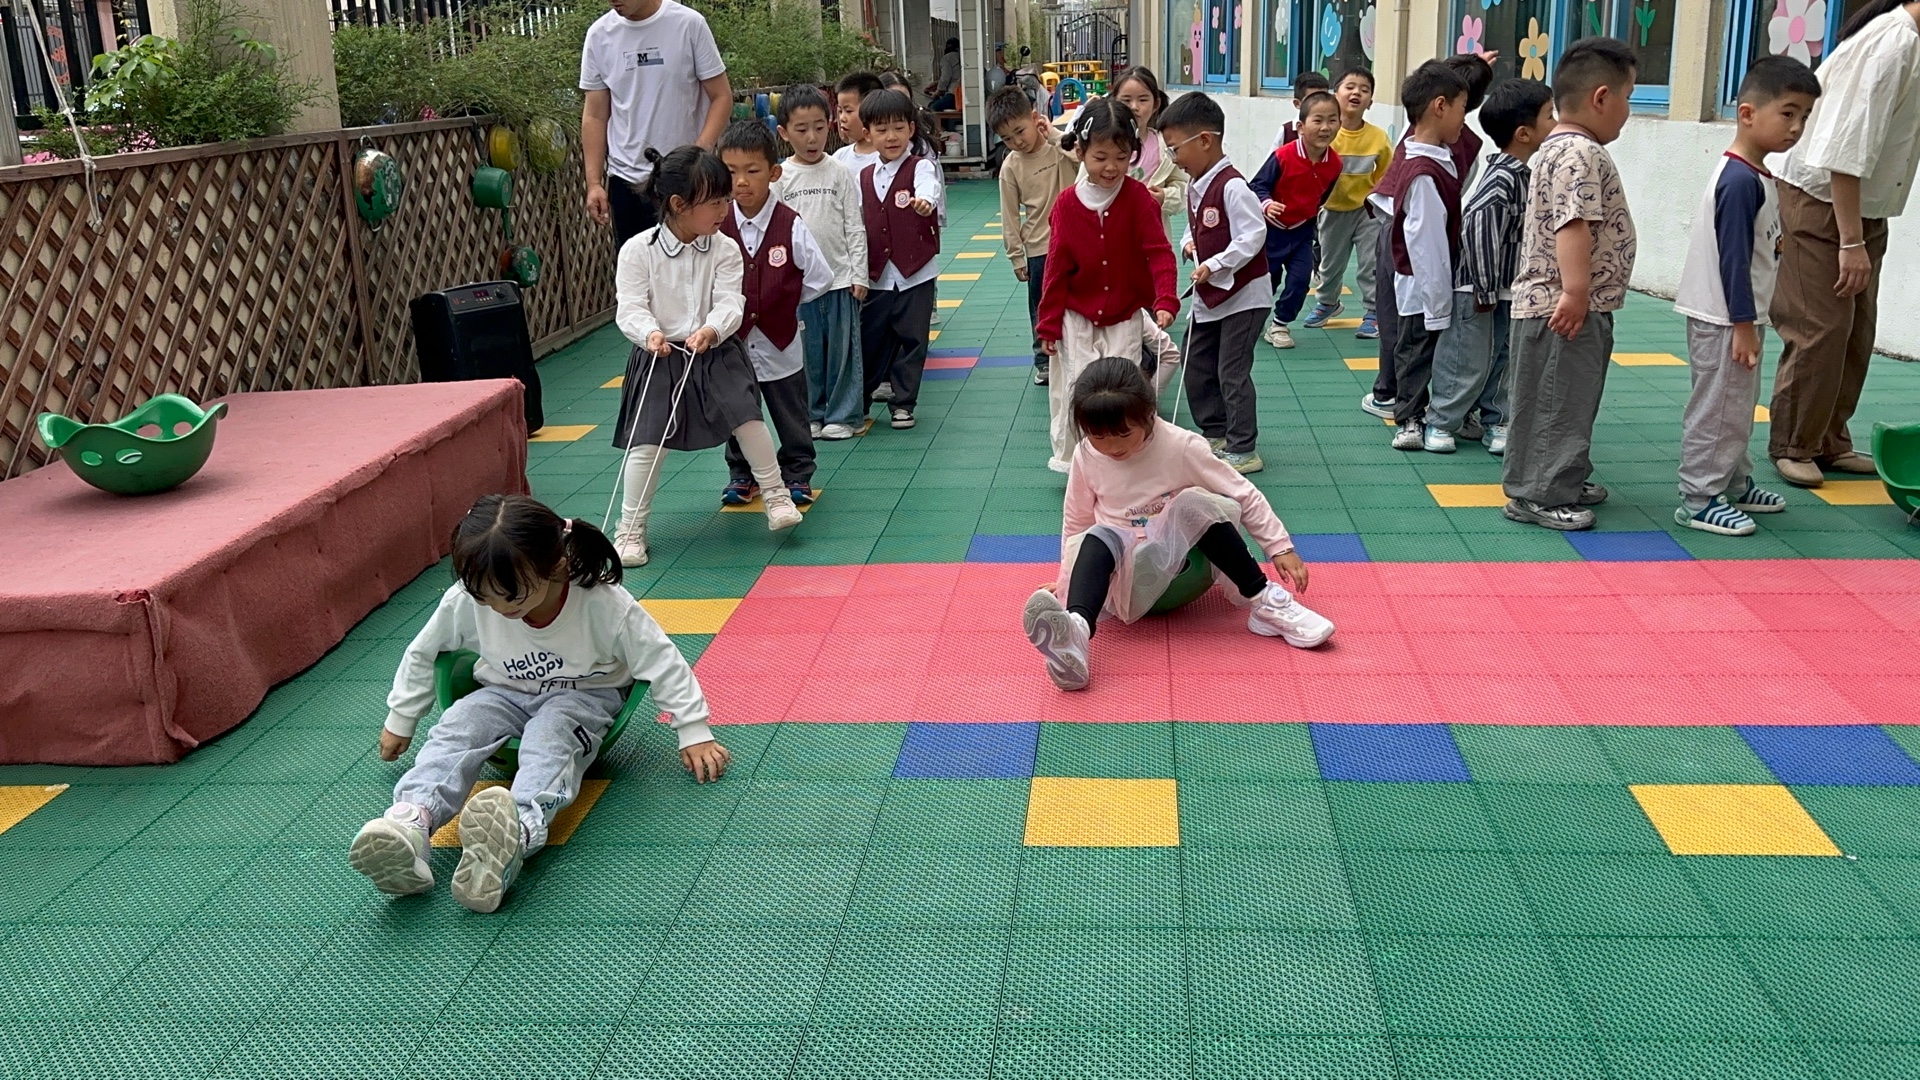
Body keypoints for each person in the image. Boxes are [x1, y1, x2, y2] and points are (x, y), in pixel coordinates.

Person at [351, 494, 730, 913]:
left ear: (556, 567)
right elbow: (425, 652)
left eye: (510, 597)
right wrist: (402, 718)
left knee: (550, 736)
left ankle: (518, 830)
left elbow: (661, 659)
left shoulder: (602, 603)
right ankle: (411, 822)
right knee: (459, 724)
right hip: (504, 691)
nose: (498, 609)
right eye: (485, 598)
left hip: (584, 696)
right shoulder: (468, 598)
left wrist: (693, 729)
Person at [1021, 358, 1334, 691]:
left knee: (1193, 503)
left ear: (1148, 414)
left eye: (1124, 434)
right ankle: (1076, 632)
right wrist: (1067, 580)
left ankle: (1265, 602)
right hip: (1122, 581)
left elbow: (1242, 492)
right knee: (1099, 533)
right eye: (1098, 436)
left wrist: (1279, 546)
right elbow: (1076, 520)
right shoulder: (1087, 455)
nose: (1112, 447)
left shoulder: (1181, 446)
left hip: (1179, 570)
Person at [609, 146, 804, 567]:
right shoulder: (637, 250)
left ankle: (776, 496)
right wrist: (650, 333)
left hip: (715, 350)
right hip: (660, 355)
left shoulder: (725, 248)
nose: (724, 209)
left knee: (748, 420)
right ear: (679, 205)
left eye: (725, 199)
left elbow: (731, 301)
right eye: (715, 202)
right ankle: (630, 528)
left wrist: (713, 329)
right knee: (647, 443)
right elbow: (630, 307)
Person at [1765, 0, 1920, 488]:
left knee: (1856, 330)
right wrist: (1851, 242)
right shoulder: (1892, 42)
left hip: (1862, 208)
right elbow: (1843, 150)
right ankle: (1794, 444)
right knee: (1821, 327)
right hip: (1821, 202)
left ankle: (1828, 439)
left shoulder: (1908, 42)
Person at [1672, 57, 1821, 534]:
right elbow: (1732, 259)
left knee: (1735, 406)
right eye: (1788, 113)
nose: (1796, 127)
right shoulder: (1739, 181)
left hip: (1738, 317)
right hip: (1724, 318)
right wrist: (1742, 325)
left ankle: (1733, 482)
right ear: (1747, 113)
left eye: (1804, 117)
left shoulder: (1755, 175)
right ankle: (1700, 497)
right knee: (1719, 408)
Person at [1501, 39, 1639, 531]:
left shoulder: (1560, 149)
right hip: (1562, 308)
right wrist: (1576, 292)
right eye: (1628, 97)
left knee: (1569, 398)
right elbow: (1572, 223)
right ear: (1602, 97)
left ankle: (1562, 475)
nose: (1629, 111)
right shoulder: (1579, 153)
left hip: (1568, 305)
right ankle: (1538, 494)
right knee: (1556, 401)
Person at [1034, 99, 1181, 471]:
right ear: (1080, 152)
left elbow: (1159, 252)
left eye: (1121, 156)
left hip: (1124, 312)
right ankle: (1078, 463)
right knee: (1076, 386)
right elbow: (1056, 268)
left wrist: (1166, 299)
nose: (1111, 167)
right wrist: (1048, 323)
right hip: (1076, 314)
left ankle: (1127, 457)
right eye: (1100, 157)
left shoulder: (1138, 199)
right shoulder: (1067, 205)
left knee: (1122, 387)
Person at [1423, 76, 1556, 457]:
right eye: (1550, 115)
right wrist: (1484, 287)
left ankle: (1496, 419)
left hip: (1508, 290)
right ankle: (1441, 420)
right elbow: (1480, 228)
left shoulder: (1523, 175)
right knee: (1464, 358)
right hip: (1478, 291)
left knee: (1503, 359)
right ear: (1523, 133)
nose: (1556, 122)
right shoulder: (1502, 180)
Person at [1364, 54, 1494, 419]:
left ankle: (1392, 394)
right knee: (1412, 330)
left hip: (1404, 237)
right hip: (1419, 247)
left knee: (1401, 325)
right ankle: (1410, 405)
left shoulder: (1420, 136)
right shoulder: (1453, 147)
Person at [717, 120, 833, 508]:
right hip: (732, 342)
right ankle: (741, 473)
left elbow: (819, 277)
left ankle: (797, 472)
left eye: (752, 171)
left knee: (790, 410)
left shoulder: (790, 224)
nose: (741, 182)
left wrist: (784, 301)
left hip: (780, 341)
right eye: (731, 171)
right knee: (738, 409)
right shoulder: (717, 226)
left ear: (774, 173)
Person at [1162, 91, 1272, 475]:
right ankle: (1216, 431)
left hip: (1245, 296)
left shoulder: (1233, 186)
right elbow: (1194, 228)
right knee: (1195, 361)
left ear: (1205, 140)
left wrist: (1216, 263)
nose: (1173, 158)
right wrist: (1189, 244)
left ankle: (1244, 447)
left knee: (1232, 371)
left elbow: (1252, 235)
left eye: (1175, 149)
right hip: (1212, 296)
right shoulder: (1197, 183)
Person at [580, 0, 733, 251]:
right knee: (637, 268)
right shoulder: (599, 35)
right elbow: (595, 115)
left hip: (685, 180)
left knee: (694, 265)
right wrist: (594, 183)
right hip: (626, 180)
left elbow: (722, 96)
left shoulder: (688, 24)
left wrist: (699, 153)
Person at [1380, 61, 1472, 453]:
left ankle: (1428, 413)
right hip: (1422, 282)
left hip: (1430, 280)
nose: (1464, 118)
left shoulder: (1434, 155)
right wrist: (1437, 300)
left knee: (1426, 347)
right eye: (1462, 108)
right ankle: (1409, 417)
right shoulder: (1422, 171)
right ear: (1440, 106)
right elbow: (1425, 243)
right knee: (1416, 347)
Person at [773, 85, 869, 442]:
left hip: (841, 279)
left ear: (829, 125)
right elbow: (776, 232)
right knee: (806, 353)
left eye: (818, 127)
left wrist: (859, 273)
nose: (811, 137)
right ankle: (811, 413)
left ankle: (843, 414)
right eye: (801, 129)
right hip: (799, 287)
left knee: (843, 352)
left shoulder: (839, 171)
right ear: (784, 132)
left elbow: (854, 225)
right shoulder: (780, 177)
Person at [857, 89, 945, 431]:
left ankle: (903, 403)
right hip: (878, 274)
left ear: (911, 128)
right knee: (871, 339)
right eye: (882, 129)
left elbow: (928, 188)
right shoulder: (864, 176)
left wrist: (925, 202)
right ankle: (860, 401)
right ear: (868, 134)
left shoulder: (921, 166)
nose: (891, 136)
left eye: (898, 127)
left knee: (913, 339)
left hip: (915, 272)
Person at [992, 84, 1077, 387]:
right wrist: (1016, 255)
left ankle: (1077, 352)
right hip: (1040, 248)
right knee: (1042, 305)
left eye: (1020, 131)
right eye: (1007, 138)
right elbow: (1010, 216)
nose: (1017, 141)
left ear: (1034, 117)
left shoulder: (1060, 146)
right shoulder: (1011, 167)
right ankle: (1043, 359)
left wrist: (1053, 135)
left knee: (1078, 300)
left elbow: (1082, 158)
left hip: (1077, 241)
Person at [1302, 68, 1391, 340]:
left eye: (1364, 90)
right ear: (1335, 94)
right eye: (1350, 87)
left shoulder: (1377, 137)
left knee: (1370, 264)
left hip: (1367, 212)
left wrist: (1379, 202)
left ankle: (1374, 312)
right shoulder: (1326, 134)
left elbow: (1387, 173)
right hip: (1332, 210)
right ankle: (1328, 303)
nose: (1356, 93)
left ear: (1370, 102)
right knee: (1330, 265)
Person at [1251, 90, 1343, 350]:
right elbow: (1257, 186)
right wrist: (1268, 205)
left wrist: (1308, 214)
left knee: (1300, 281)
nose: (1325, 127)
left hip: (1302, 232)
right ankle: (1254, 319)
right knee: (1266, 281)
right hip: (1272, 232)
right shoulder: (1283, 156)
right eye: (1318, 120)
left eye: (1332, 120)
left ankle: (1279, 324)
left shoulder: (1335, 163)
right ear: (1301, 127)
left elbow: (1323, 195)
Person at [1109, 66, 1189, 239]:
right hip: (1110, 235)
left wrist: (1164, 197)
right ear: (1114, 102)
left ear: (1156, 104)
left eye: (1143, 100)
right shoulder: (1103, 144)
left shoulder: (1165, 147)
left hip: (1151, 237)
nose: (1134, 107)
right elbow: (1083, 186)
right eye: (1126, 100)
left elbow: (1183, 187)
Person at [833, 72, 886, 176]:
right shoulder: (839, 158)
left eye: (848, 111)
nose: (842, 118)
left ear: (871, 109)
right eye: (840, 111)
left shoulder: (888, 158)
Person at [1270, 72, 1332, 150]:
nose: (1319, 104)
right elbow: (1273, 157)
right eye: (1312, 100)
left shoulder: (1332, 130)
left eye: (1324, 98)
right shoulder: (1286, 132)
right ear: (1297, 103)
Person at [927, 37, 962, 110]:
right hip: (964, 94)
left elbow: (945, 78)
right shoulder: (963, 57)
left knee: (932, 107)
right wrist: (936, 83)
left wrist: (937, 92)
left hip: (953, 94)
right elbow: (955, 76)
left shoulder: (947, 58)